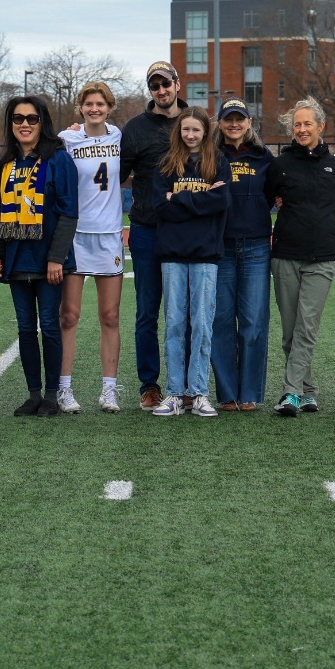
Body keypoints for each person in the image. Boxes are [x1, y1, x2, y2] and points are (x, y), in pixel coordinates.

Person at [0, 97, 77, 415]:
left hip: (47, 260)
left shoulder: (58, 159)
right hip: (16, 258)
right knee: (25, 328)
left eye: (32, 118)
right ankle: (33, 394)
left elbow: (69, 212)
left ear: (43, 122)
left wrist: (56, 258)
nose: (24, 124)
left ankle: (52, 395)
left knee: (49, 326)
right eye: (18, 118)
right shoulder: (6, 163)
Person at [263, 98, 335, 416]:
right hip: (285, 255)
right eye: (297, 124)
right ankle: (308, 391)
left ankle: (290, 393)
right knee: (289, 332)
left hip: (322, 258)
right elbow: (266, 199)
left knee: (306, 328)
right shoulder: (280, 164)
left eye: (307, 123)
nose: (301, 129)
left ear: (320, 126)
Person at [150, 106, 228, 417]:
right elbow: (160, 206)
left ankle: (198, 392)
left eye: (196, 129)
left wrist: (178, 199)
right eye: (186, 129)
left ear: (206, 132)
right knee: (174, 323)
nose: (191, 135)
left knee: (202, 324)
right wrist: (201, 200)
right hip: (172, 254)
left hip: (206, 255)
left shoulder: (218, 162)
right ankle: (174, 393)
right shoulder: (166, 164)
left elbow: (221, 202)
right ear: (179, 131)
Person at [119, 61, 185, 409]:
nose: (161, 90)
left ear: (177, 84)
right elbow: (115, 174)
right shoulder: (134, 129)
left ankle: (184, 383)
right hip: (146, 229)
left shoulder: (195, 122)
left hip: (187, 230)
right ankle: (150, 385)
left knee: (184, 311)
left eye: (165, 84)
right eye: (154, 86)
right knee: (147, 311)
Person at [58, 81, 126, 413]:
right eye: (89, 104)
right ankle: (64, 388)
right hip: (76, 235)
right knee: (69, 315)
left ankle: (109, 389)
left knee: (110, 316)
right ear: (81, 108)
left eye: (100, 104)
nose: (94, 109)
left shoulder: (119, 137)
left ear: (110, 108)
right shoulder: (67, 139)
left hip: (109, 235)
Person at [210, 98, 272, 412]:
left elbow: (275, 193)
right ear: (220, 123)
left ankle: (249, 393)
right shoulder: (210, 155)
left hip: (256, 246)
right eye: (228, 119)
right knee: (220, 320)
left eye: (240, 119)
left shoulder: (263, 156)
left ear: (249, 122)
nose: (234, 124)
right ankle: (226, 393)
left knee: (253, 321)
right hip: (220, 247)